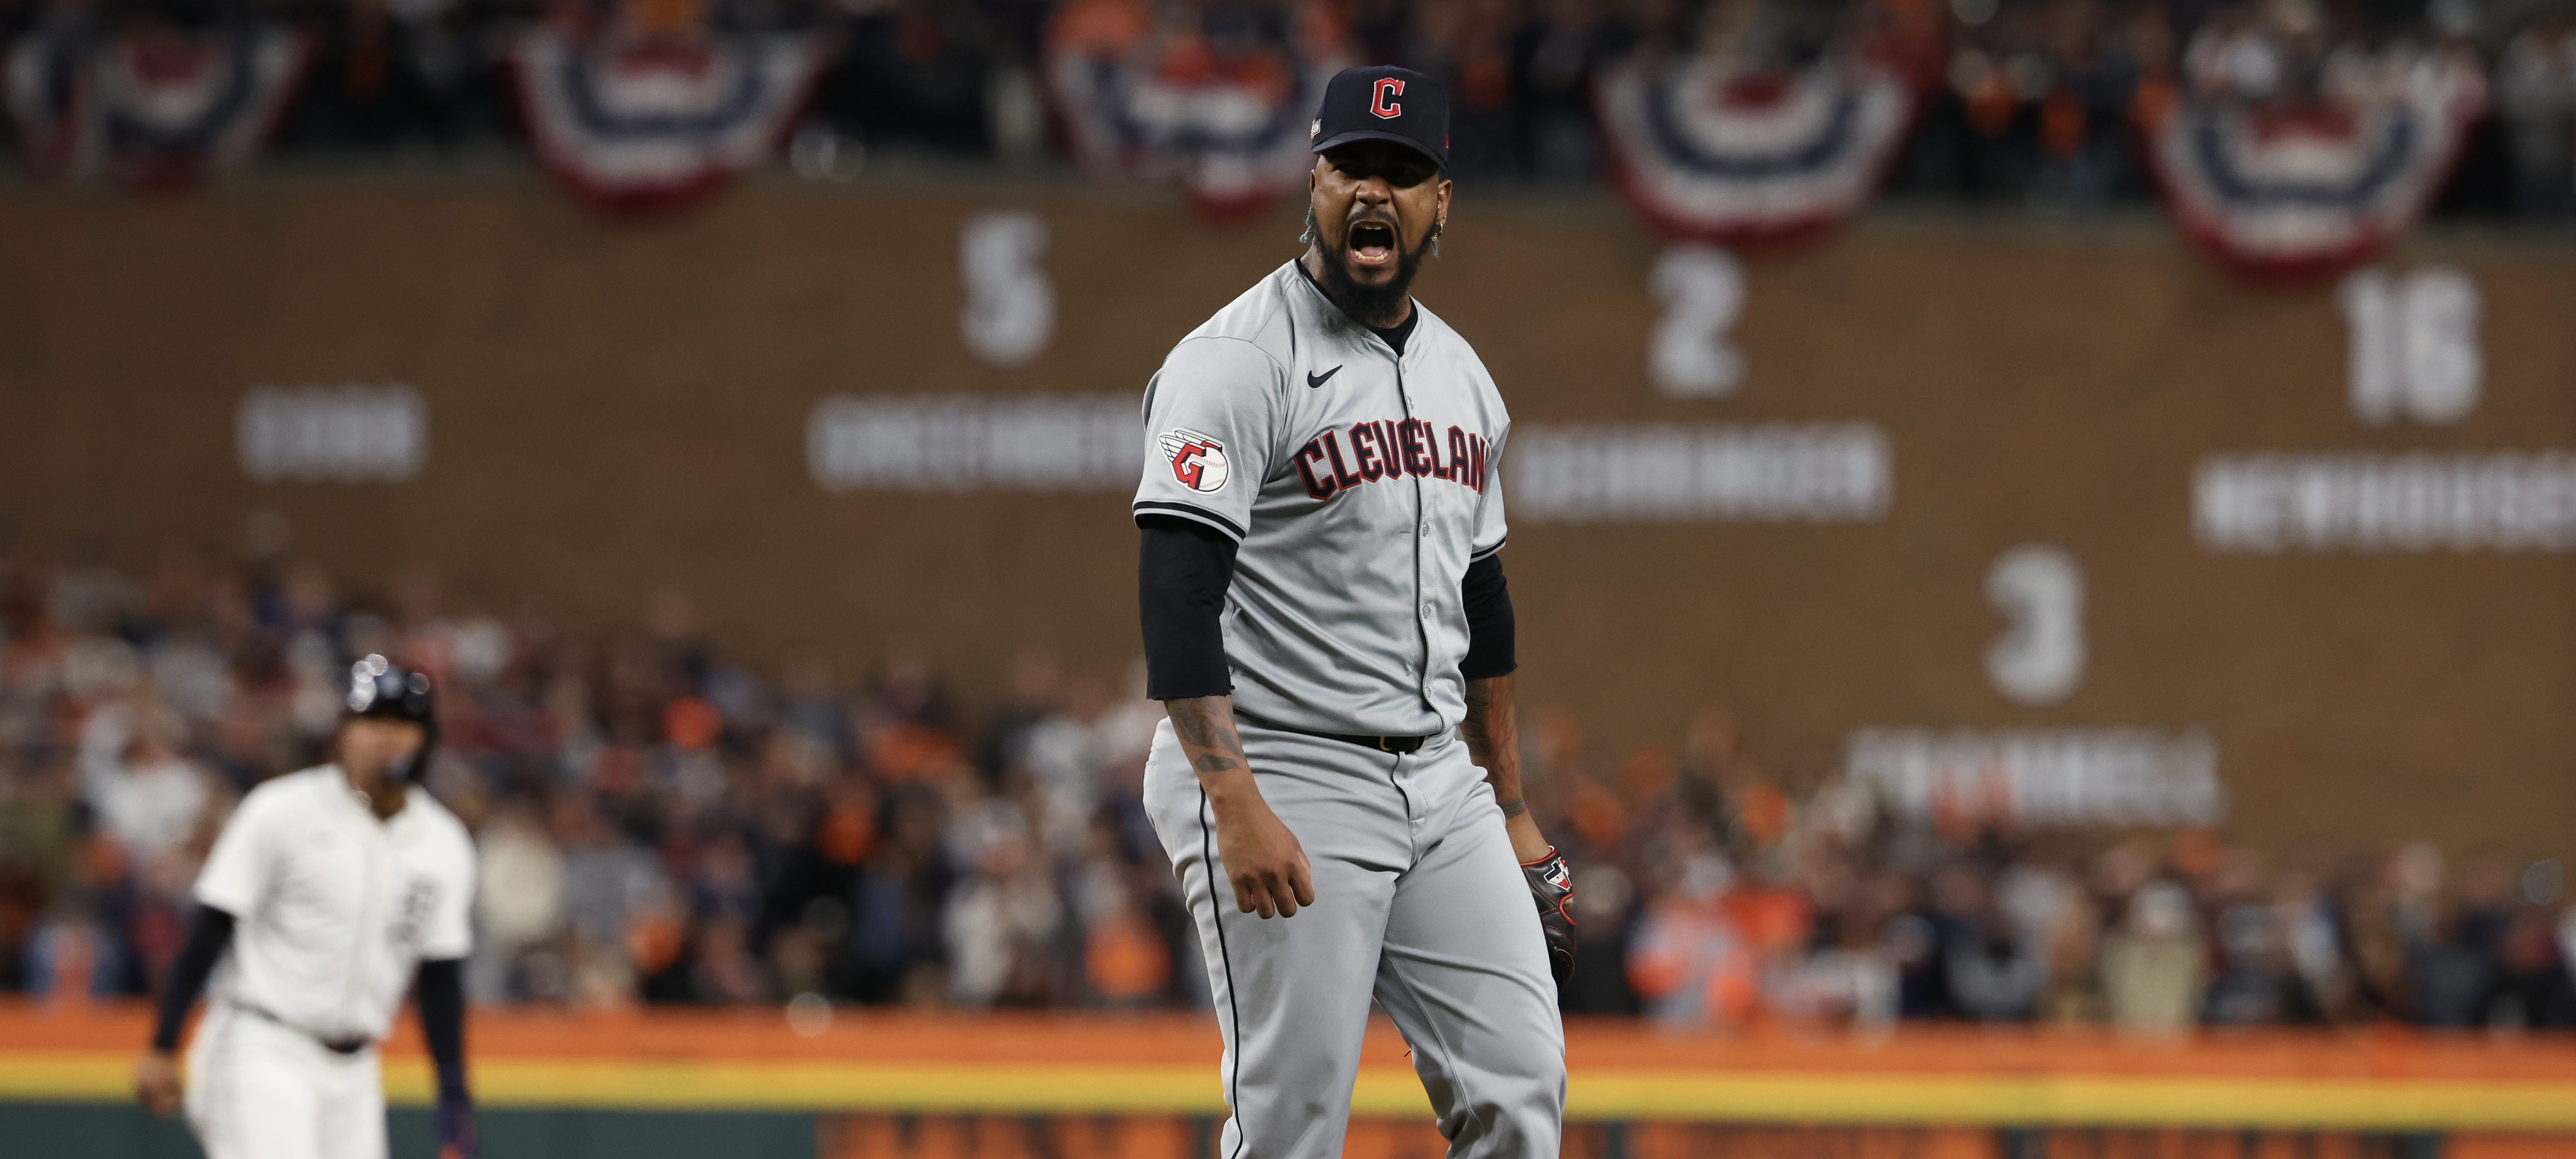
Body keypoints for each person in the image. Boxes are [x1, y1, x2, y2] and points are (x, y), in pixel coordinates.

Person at [1130, 65, 1575, 1159]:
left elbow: (1487, 604)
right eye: (1353, 169)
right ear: (1314, 183)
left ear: (1440, 203)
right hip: (1286, 762)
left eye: (1405, 172)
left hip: (1438, 780)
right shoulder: (1236, 360)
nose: (1376, 193)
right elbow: (1176, 586)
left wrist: (1509, 805)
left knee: (1522, 1093)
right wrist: (1230, 798)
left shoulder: (1463, 375)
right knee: (1293, 1125)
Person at [133, 655, 480, 1159]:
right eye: (372, 721)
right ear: (344, 732)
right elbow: (210, 929)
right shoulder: (282, 810)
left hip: (356, 1066)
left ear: (425, 737)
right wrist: (164, 1043)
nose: (387, 736)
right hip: (262, 1042)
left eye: (403, 723)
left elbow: (440, 975)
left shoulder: (444, 843)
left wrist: (452, 1084)